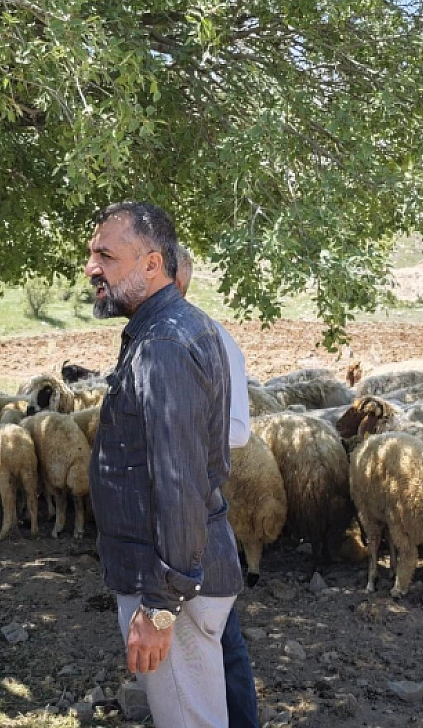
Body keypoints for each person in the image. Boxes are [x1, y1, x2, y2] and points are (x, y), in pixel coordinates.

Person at [85, 201, 243, 728]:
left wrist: (158, 607)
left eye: (106, 256)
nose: (91, 269)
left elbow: (178, 483)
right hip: (182, 577)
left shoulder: (163, 344)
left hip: (171, 586)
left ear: (152, 264)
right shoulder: (179, 327)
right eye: (91, 255)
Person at [170, 246, 261, 728]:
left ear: (175, 278)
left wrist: (174, 439)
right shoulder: (156, 336)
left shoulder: (211, 339)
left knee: (218, 636)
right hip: (166, 515)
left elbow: (238, 428)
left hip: (197, 512)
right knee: (201, 640)